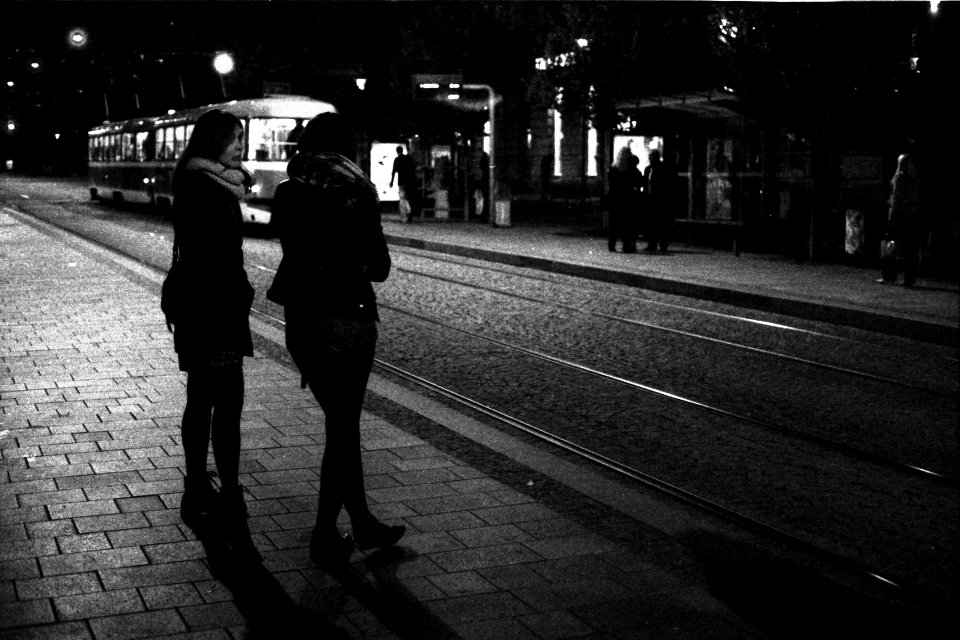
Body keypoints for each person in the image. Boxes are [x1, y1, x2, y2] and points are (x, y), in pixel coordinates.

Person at [268, 113, 406, 565]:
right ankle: (330, 531)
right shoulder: (358, 191)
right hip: (349, 316)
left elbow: (292, 252)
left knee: (341, 427)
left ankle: (354, 524)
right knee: (344, 428)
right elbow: (380, 267)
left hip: (302, 320)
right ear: (348, 148)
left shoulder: (288, 191)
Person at [168, 110, 257, 553]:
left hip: (201, 307)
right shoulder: (207, 187)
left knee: (203, 398)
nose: (240, 144)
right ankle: (230, 493)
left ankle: (198, 485)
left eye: (241, 137)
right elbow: (214, 252)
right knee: (225, 402)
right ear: (213, 140)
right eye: (233, 138)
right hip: (214, 308)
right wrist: (239, 289)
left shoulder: (199, 180)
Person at [879, 153, 922, 287]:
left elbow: (896, 202)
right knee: (911, 250)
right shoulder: (915, 179)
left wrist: (891, 219)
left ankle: (889, 276)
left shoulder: (899, 178)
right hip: (912, 217)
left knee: (889, 247)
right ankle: (909, 279)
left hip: (900, 217)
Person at [606, 147, 642, 253]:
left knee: (614, 223)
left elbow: (611, 184)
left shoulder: (613, 169)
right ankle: (626, 245)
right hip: (628, 200)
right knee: (626, 223)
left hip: (615, 199)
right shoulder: (631, 169)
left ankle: (611, 245)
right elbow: (637, 182)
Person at [643, 149, 674, 253]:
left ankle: (663, 245)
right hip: (649, 199)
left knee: (661, 223)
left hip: (660, 199)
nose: (650, 158)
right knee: (650, 223)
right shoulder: (647, 169)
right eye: (649, 156)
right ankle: (651, 244)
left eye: (651, 157)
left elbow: (666, 183)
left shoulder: (663, 168)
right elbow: (645, 183)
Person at [389, 145, 419, 222]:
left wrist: (392, 182)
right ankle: (410, 213)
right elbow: (413, 169)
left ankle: (405, 216)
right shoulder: (408, 158)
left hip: (401, 182)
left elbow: (394, 171)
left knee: (402, 199)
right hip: (410, 182)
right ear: (402, 150)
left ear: (397, 151)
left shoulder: (397, 159)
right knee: (409, 198)